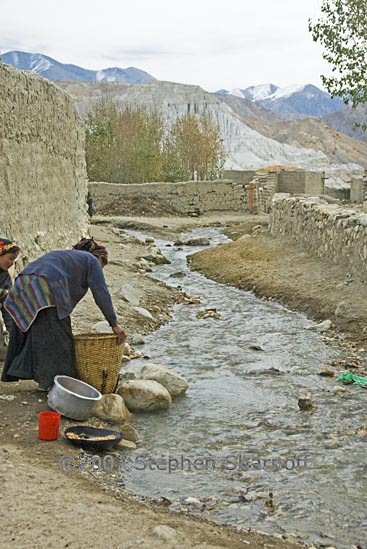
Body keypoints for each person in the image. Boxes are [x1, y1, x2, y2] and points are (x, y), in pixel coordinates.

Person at [1, 237, 126, 391]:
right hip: (44, 286)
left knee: (38, 334)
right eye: (102, 265)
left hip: (22, 285)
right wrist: (114, 324)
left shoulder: (66, 256)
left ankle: (42, 381)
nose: (100, 270)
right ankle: (60, 384)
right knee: (61, 338)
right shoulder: (91, 261)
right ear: (100, 257)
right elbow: (101, 293)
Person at [0, 238, 21, 337]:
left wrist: (12, 332)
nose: (12, 263)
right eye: (11, 258)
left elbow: (7, 305)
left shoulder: (4, 279)